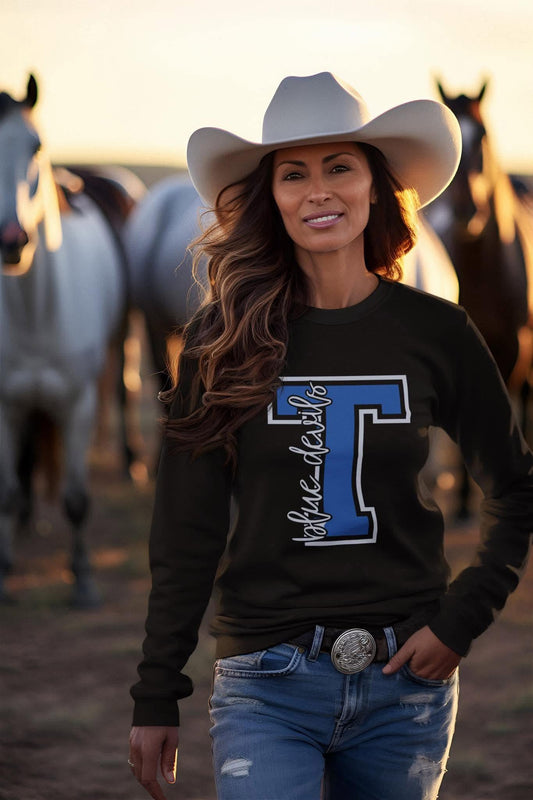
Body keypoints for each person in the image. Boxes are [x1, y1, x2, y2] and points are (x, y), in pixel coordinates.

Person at [129, 72, 533, 800]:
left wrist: (459, 620)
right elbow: (184, 533)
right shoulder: (217, 344)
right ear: (270, 197)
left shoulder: (436, 331)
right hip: (264, 685)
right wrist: (156, 692)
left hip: (405, 688)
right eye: (293, 174)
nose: (318, 191)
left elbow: (513, 486)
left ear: (374, 185)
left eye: (338, 167)